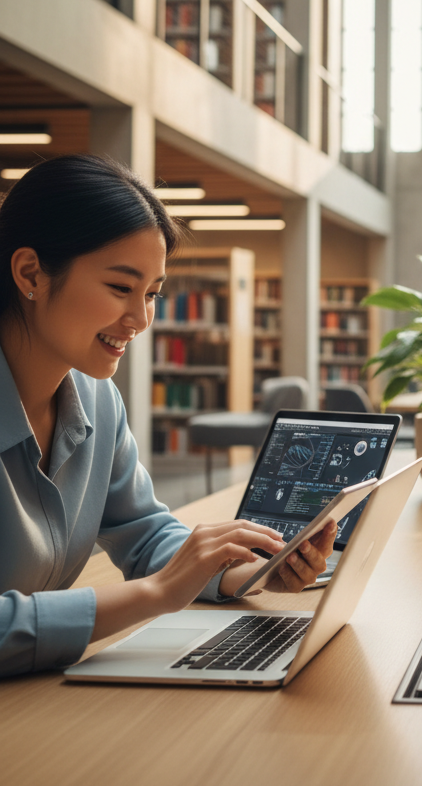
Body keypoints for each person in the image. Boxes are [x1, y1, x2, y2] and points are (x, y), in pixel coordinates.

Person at [0, 155, 335, 678]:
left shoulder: (98, 400)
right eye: (120, 287)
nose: (140, 319)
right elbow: (157, 579)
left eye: (152, 294)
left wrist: (246, 569)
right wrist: (155, 594)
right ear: (31, 273)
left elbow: (145, 532)